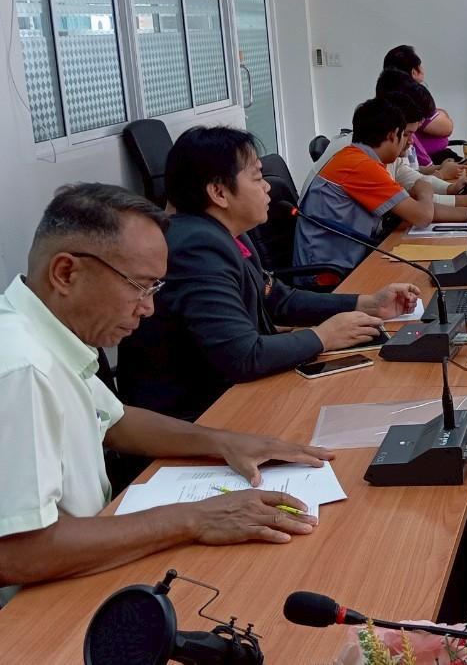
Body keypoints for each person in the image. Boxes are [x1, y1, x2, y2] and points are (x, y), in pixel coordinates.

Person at [0, 184, 332, 605]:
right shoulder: (22, 367)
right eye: (140, 286)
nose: (148, 307)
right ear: (66, 273)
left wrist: (223, 442)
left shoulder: (44, 334)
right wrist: (194, 518)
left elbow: (114, 421)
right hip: (38, 605)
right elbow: (19, 552)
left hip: (87, 560)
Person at [116, 126, 419, 421]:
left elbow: (276, 298)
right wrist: (324, 336)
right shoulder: (196, 249)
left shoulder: (226, 234)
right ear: (219, 192)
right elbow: (243, 355)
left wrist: (368, 303)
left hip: (231, 393)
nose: (267, 187)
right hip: (197, 416)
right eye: (257, 177)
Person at [295, 97, 467, 274]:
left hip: (350, 257)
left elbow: (413, 208)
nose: (409, 143)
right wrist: (425, 190)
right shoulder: (360, 166)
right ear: (393, 135)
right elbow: (421, 215)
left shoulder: (360, 158)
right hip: (329, 272)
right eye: (406, 135)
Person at [305, 85, 467, 211]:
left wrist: (452, 189)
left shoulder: (376, 148)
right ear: (393, 129)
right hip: (339, 256)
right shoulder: (361, 157)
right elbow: (414, 207)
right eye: (407, 134)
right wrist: (465, 203)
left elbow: (411, 179)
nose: (412, 141)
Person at [374, 68, 461, 181]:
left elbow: (412, 173)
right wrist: (442, 174)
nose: (420, 124)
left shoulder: (402, 144)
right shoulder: (384, 154)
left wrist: (440, 168)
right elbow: (409, 187)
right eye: (407, 133)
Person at [383, 45, 459, 164]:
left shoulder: (390, 97)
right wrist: (442, 113)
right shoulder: (411, 100)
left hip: (429, 165)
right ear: (414, 71)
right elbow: (447, 128)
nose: (410, 140)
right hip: (434, 159)